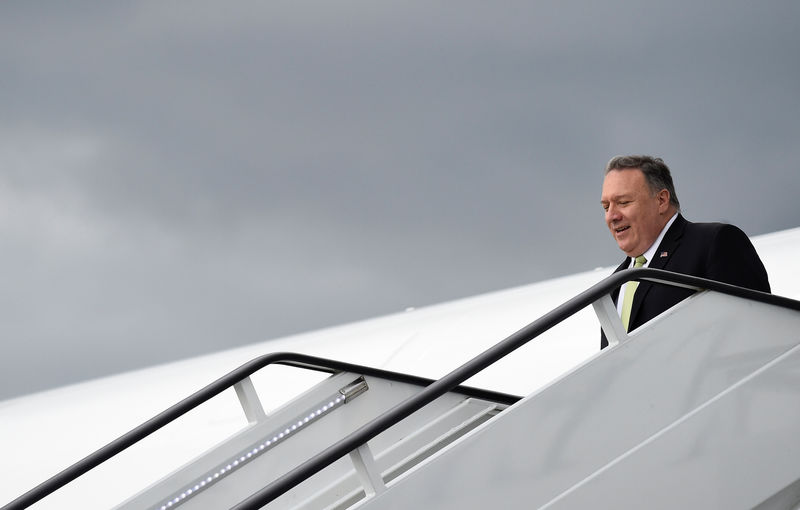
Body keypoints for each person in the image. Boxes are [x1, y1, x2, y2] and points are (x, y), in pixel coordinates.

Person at [599, 155, 770, 349]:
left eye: (623, 202)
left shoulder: (715, 243)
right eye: (606, 207)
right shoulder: (613, 286)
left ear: (662, 200)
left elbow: (755, 333)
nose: (612, 216)